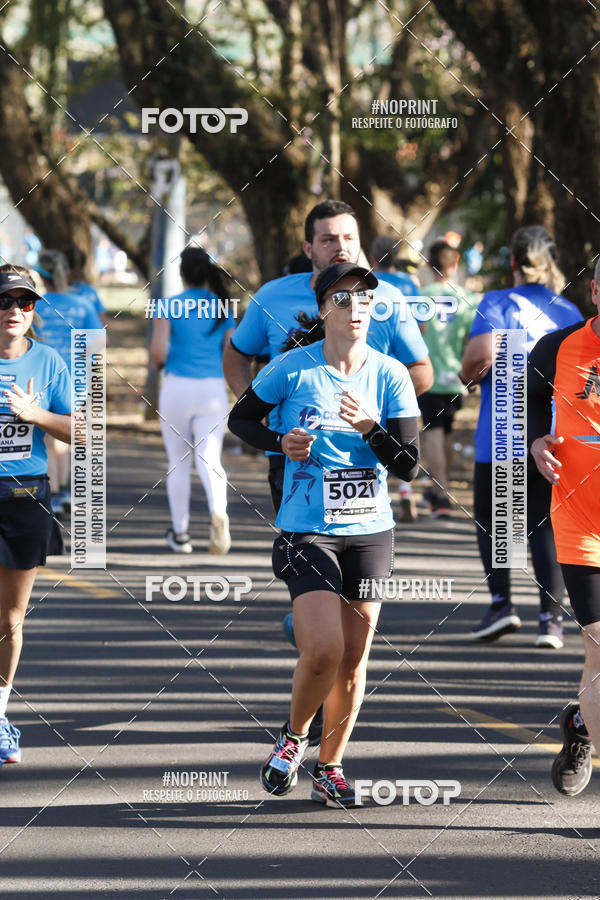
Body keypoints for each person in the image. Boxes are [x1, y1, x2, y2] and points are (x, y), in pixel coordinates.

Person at [228, 262, 420, 806]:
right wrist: (278, 442)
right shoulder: (291, 368)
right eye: (343, 299)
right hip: (307, 528)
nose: (356, 309)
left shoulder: (390, 375)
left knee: (354, 660)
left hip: (370, 532)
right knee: (323, 652)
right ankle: (293, 740)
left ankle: (330, 766)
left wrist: (370, 428)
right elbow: (240, 421)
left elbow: (407, 465)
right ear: (323, 309)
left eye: (365, 300)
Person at [223, 199, 431, 516]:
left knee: (358, 546)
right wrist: (256, 405)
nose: (341, 247)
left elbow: (422, 370)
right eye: (328, 239)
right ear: (308, 249)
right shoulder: (272, 296)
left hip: (363, 449)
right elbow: (236, 354)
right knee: (303, 552)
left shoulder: (387, 298)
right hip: (295, 449)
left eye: (349, 238)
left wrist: (377, 413)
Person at [460, 226, 583, 648]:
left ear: (513, 261)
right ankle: (551, 619)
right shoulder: (567, 311)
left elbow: (478, 359)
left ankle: (501, 605)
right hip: (550, 435)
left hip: (501, 431)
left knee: (500, 522)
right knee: (542, 525)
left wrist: (468, 376)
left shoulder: (496, 302)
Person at [528, 260, 600, 795]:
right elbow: (523, 407)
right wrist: (536, 443)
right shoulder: (555, 349)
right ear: (596, 289)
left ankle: (581, 722)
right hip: (581, 524)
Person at [0, 264, 71, 765]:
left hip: (25, 497)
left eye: (25, 304)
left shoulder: (49, 362)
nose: (14, 312)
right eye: (5, 302)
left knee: (9, 617)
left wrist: (34, 416)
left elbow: (84, 430)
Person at [150, 247, 235, 555]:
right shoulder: (224, 307)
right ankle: (218, 511)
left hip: (177, 387)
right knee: (210, 458)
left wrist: (161, 362)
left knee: (179, 462)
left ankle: (181, 534)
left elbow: (158, 353)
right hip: (212, 388)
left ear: (181, 273)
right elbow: (230, 354)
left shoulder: (167, 306)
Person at [34, 250, 103, 516]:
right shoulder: (82, 305)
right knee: (69, 436)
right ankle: (66, 491)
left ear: (41, 276)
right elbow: (100, 342)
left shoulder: (35, 306)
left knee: (51, 440)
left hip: (43, 380)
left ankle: (56, 492)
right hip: (76, 382)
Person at [419, 239, 477, 517]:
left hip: (429, 375)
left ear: (429, 265)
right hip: (455, 376)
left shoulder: (422, 295)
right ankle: (441, 488)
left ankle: (441, 494)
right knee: (447, 434)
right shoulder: (465, 298)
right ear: (454, 263)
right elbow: (472, 337)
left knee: (433, 434)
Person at [369, 234, 422, 522]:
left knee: (373, 434)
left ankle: (379, 493)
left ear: (373, 257)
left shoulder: (366, 285)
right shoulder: (410, 284)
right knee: (404, 435)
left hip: (370, 372)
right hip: (403, 371)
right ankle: (405, 490)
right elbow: (421, 329)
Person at [65, 244, 108, 326]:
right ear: (83, 266)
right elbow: (104, 323)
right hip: (87, 337)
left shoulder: (57, 292)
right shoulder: (90, 292)